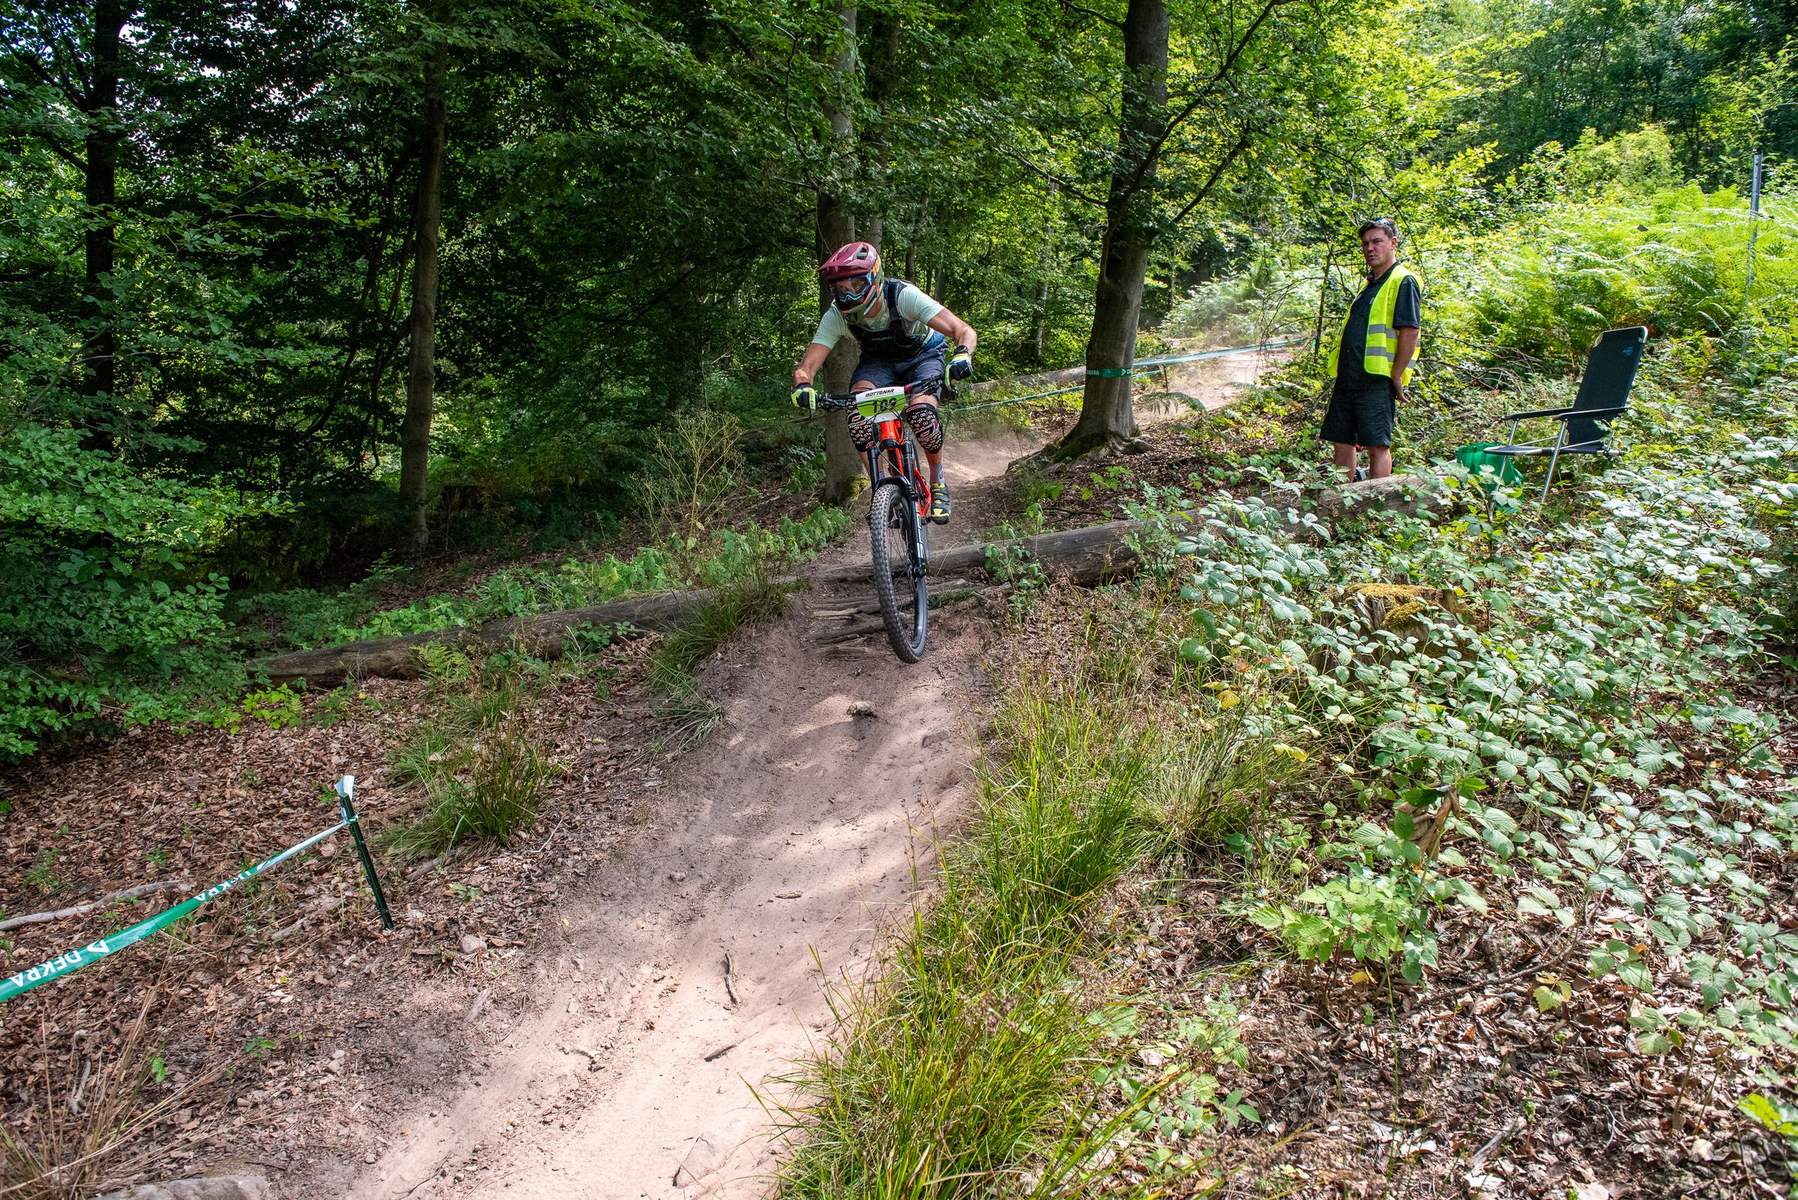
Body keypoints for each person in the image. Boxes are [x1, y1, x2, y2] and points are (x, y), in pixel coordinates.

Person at [790, 242, 976, 523]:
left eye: (856, 284)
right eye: (840, 288)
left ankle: (938, 482)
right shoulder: (837, 314)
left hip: (923, 355)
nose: (848, 294)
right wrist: (803, 386)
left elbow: (963, 330)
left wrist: (962, 356)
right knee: (857, 412)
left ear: (874, 278)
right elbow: (807, 367)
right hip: (879, 362)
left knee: (922, 414)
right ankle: (881, 487)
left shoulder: (902, 296)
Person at [1322, 217, 1421, 482]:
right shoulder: (1370, 285)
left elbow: (1410, 331)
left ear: (1393, 243)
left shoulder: (1403, 281)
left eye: (1377, 241)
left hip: (1376, 378)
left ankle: (1378, 502)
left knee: (1377, 444)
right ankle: (1342, 500)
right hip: (1349, 376)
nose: (1370, 248)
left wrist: (1397, 375)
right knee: (1342, 440)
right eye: (1365, 243)